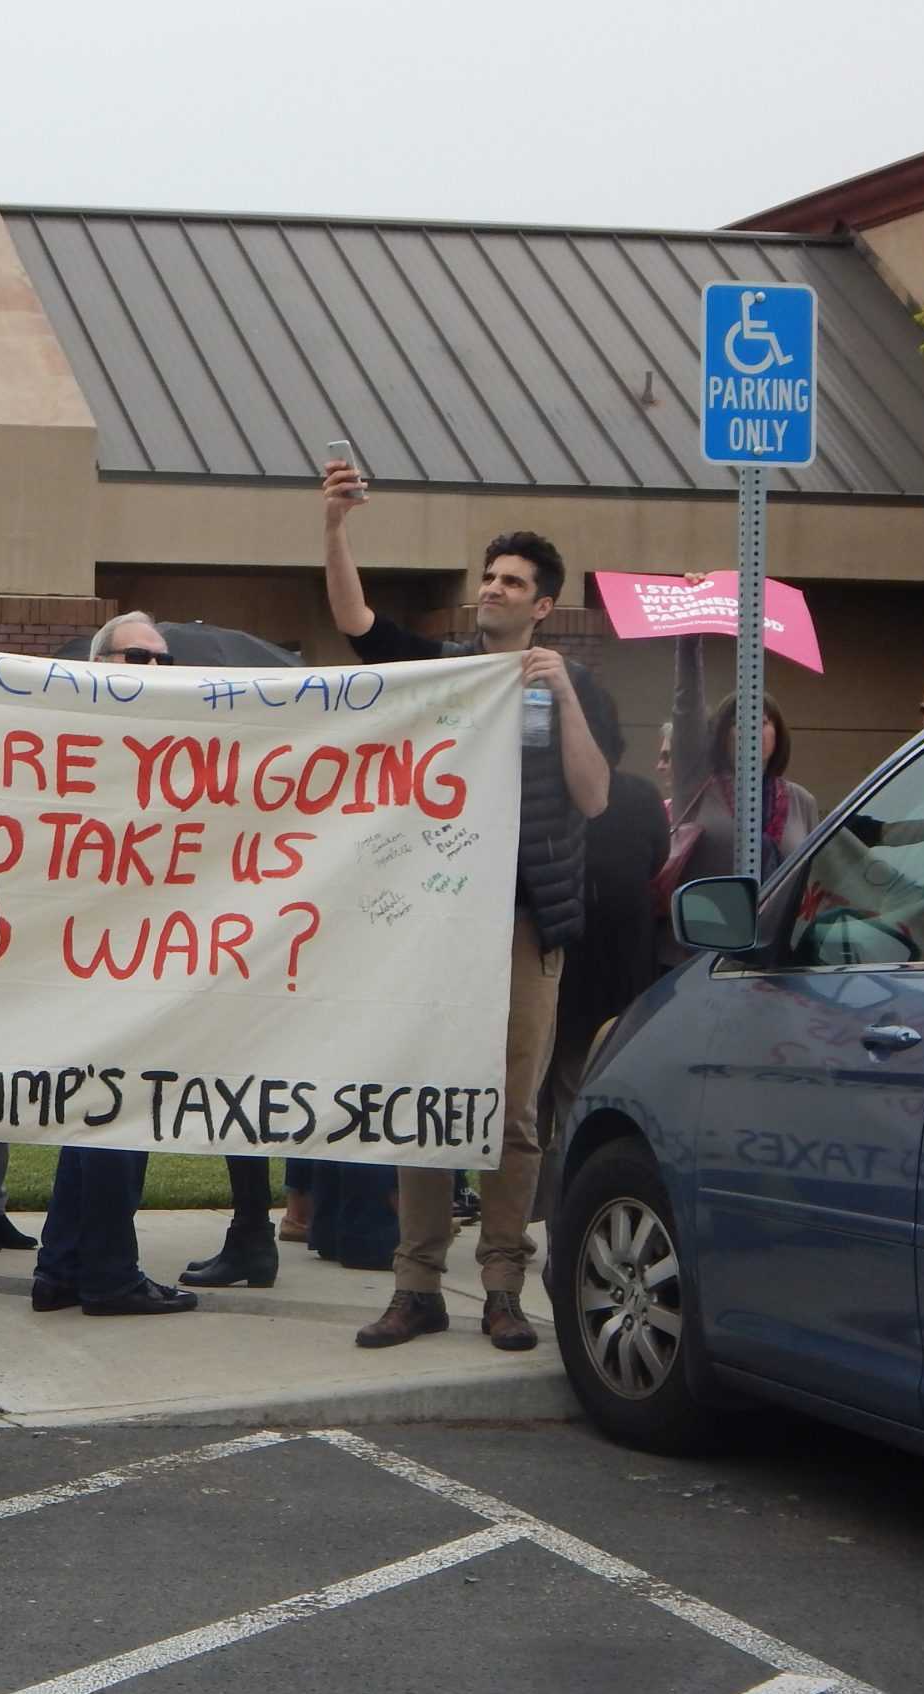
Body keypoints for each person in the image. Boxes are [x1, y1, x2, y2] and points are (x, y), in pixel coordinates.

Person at [322, 460, 608, 1353]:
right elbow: (355, 624)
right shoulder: (440, 672)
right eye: (489, 578)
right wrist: (335, 529)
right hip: (436, 924)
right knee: (424, 1097)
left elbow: (595, 797)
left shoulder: (572, 686)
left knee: (515, 1113)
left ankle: (502, 1285)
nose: (493, 590)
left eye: (512, 583)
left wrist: (560, 693)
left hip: (525, 925)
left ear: (543, 606)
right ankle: (417, 1285)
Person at [26, 613, 203, 1316]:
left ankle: (63, 1264)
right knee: (117, 1104)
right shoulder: (76, 733)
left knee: (96, 1105)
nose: (155, 671)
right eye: (139, 657)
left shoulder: (179, 744)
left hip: (146, 948)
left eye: (165, 660)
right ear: (102, 661)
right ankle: (107, 1271)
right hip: (89, 950)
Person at [537, 678, 667, 1220]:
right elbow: (656, 865)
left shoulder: (544, 799)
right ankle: (564, 1209)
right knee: (574, 1101)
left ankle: (535, 1212)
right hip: (613, 980)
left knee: (532, 1108)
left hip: (554, 968)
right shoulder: (639, 797)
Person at [658, 634, 815, 970]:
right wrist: (689, 644)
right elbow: (686, 709)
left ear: (778, 734)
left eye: (761, 723)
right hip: (696, 958)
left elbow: (815, 881)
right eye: (739, 723)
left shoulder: (801, 801)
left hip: (775, 961)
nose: (751, 731)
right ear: (721, 734)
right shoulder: (698, 783)